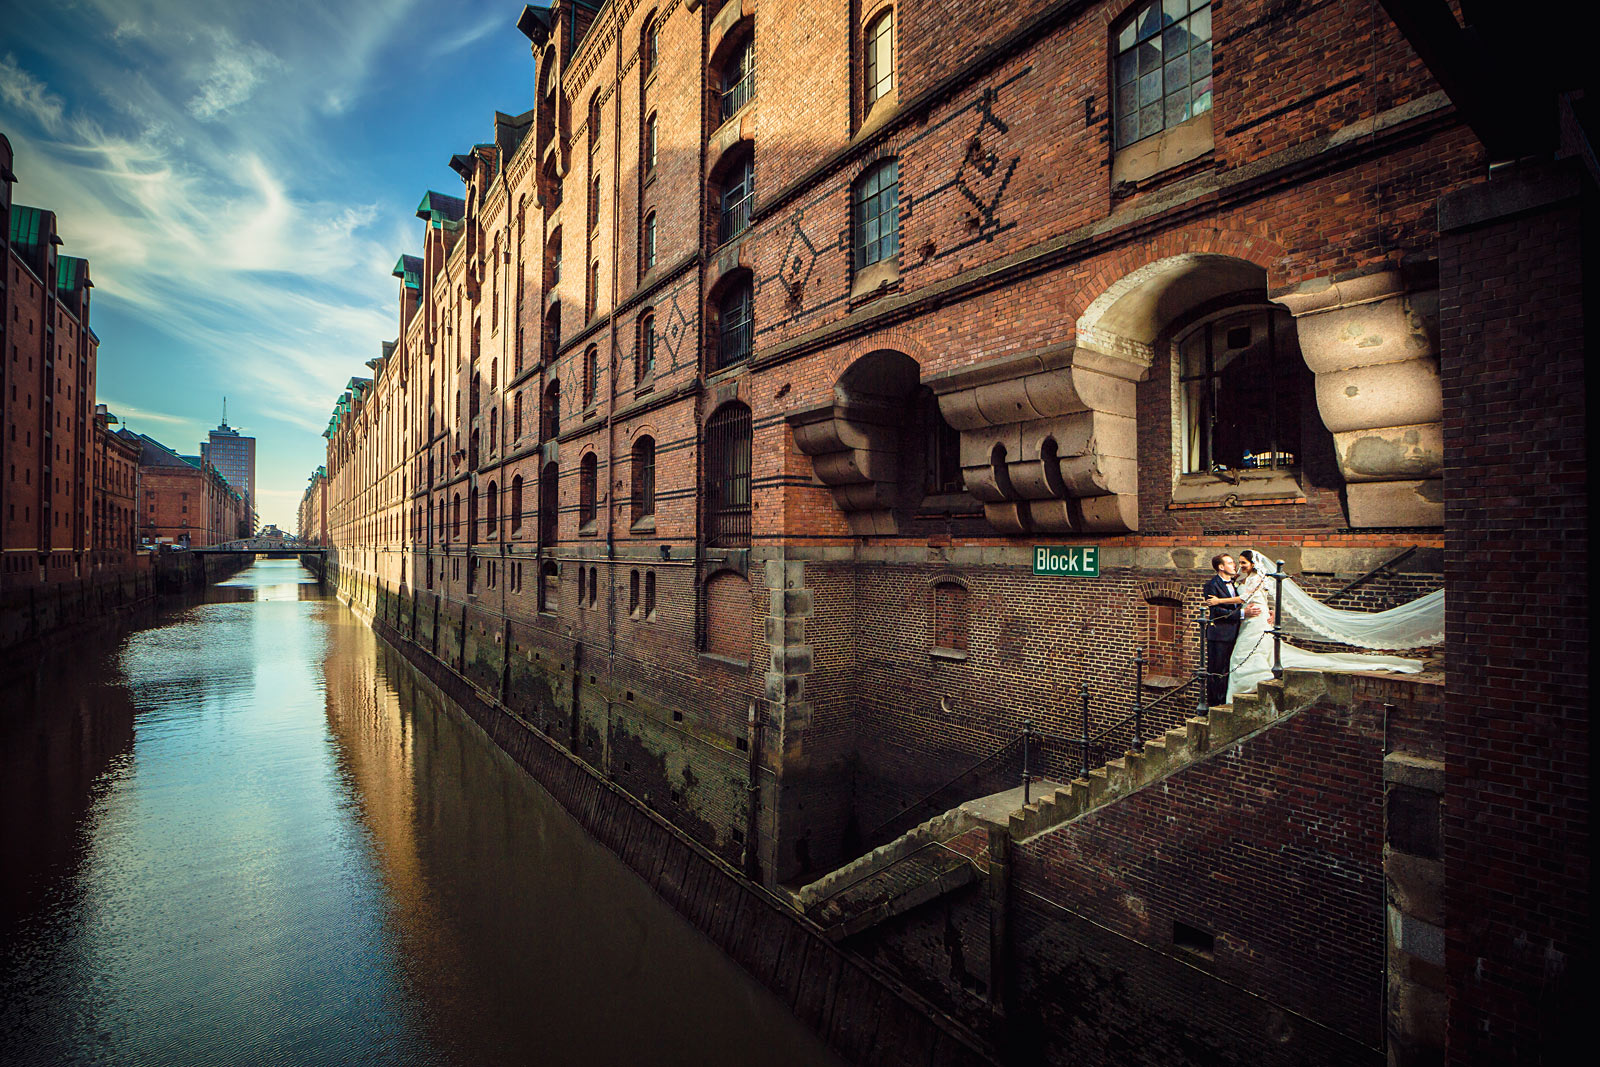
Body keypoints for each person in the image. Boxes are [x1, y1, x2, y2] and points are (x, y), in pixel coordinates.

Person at [1210, 549, 1425, 703]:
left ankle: (1248, 683)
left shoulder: (1257, 578)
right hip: (1252, 618)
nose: (1240, 566)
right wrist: (1266, 609)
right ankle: (1242, 686)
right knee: (1251, 651)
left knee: (1246, 652)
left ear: (1254, 563)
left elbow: (1245, 598)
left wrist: (1219, 602)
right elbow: (1255, 598)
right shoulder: (1243, 579)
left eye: (1243, 563)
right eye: (1236, 563)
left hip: (1256, 619)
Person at [1202, 554, 1255, 707]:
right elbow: (1216, 610)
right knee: (1217, 671)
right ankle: (1214, 706)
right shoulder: (1211, 585)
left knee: (1230, 669)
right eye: (1230, 563)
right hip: (1219, 635)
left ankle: (1226, 700)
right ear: (1221, 567)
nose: (1234, 565)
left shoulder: (1234, 583)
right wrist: (1243, 614)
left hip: (1235, 632)